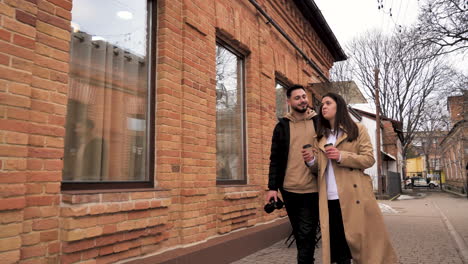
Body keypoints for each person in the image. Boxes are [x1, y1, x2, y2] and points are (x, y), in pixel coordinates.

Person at [303, 92, 397, 264]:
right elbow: (319, 170)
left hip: (353, 197)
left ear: (338, 106)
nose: (323, 106)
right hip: (328, 198)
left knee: (360, 245)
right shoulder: (320, 137)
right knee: (338, 249)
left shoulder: (357, 129)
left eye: (328, 103)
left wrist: (341, 156)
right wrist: (311, 162)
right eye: (322, 104)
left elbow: (368, 159)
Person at [266, 84, 320, 264]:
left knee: (307, 232)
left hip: (314, 188)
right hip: (289, 189)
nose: (302, 100)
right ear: (288, 102)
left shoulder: (318, 122)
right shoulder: (282, 126)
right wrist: (272, 188)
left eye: (304, 96)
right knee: (300, 232)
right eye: (297, 98)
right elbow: (275, 159)